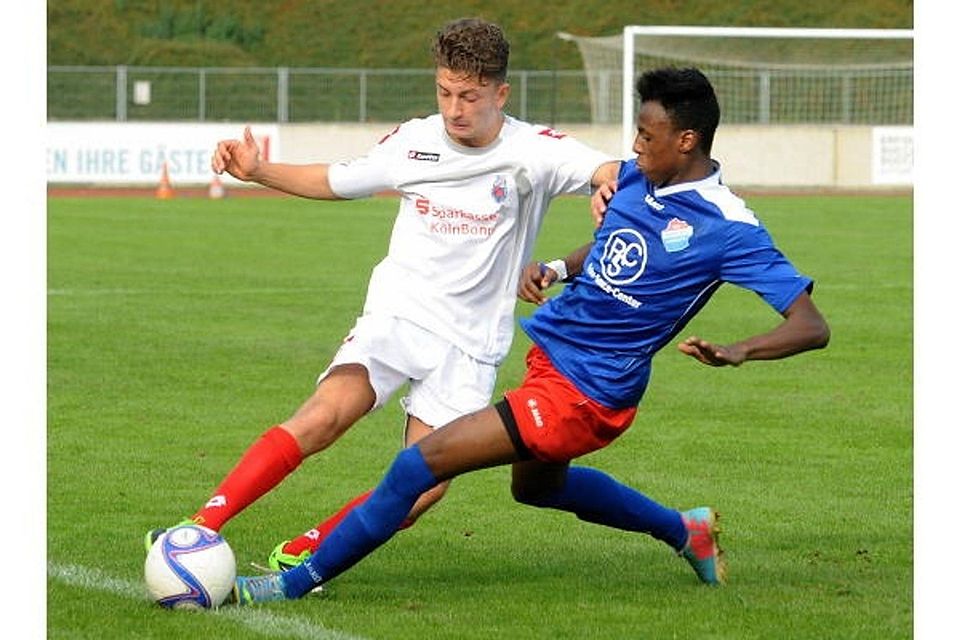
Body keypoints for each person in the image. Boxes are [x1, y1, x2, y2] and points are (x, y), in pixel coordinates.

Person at [228, 66, 831, 604]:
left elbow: (811, 324)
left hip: (588, 392)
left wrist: (738, 351)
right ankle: (684, 529)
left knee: (421, 465)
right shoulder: (634, 180)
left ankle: (290, 583)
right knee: (538, 489)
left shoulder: (729, 226)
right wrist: (559, 269)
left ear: (687, 141)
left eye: (647, 137)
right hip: (552, 363)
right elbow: (614, 244)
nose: (634, 148)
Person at [146, 17, 620, 568]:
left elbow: (608, 167)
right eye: (445, 92)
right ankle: (198, 527)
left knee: (425, 484)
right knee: (326, 414)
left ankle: (306, 552)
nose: (454, 109)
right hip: (399, 314)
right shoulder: (415, 140)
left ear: (501, 92)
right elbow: (337, 180)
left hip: (469, 344)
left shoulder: (534, 150)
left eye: (469, 95)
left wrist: (607, 183)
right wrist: (258, 171)